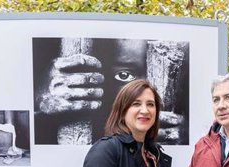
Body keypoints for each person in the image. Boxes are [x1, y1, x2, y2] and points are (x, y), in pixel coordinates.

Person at [34, 37, 188, 145]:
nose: (146, 91)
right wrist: (38, 101)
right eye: (124, 76)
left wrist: (186, 137)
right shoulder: (102, 150)